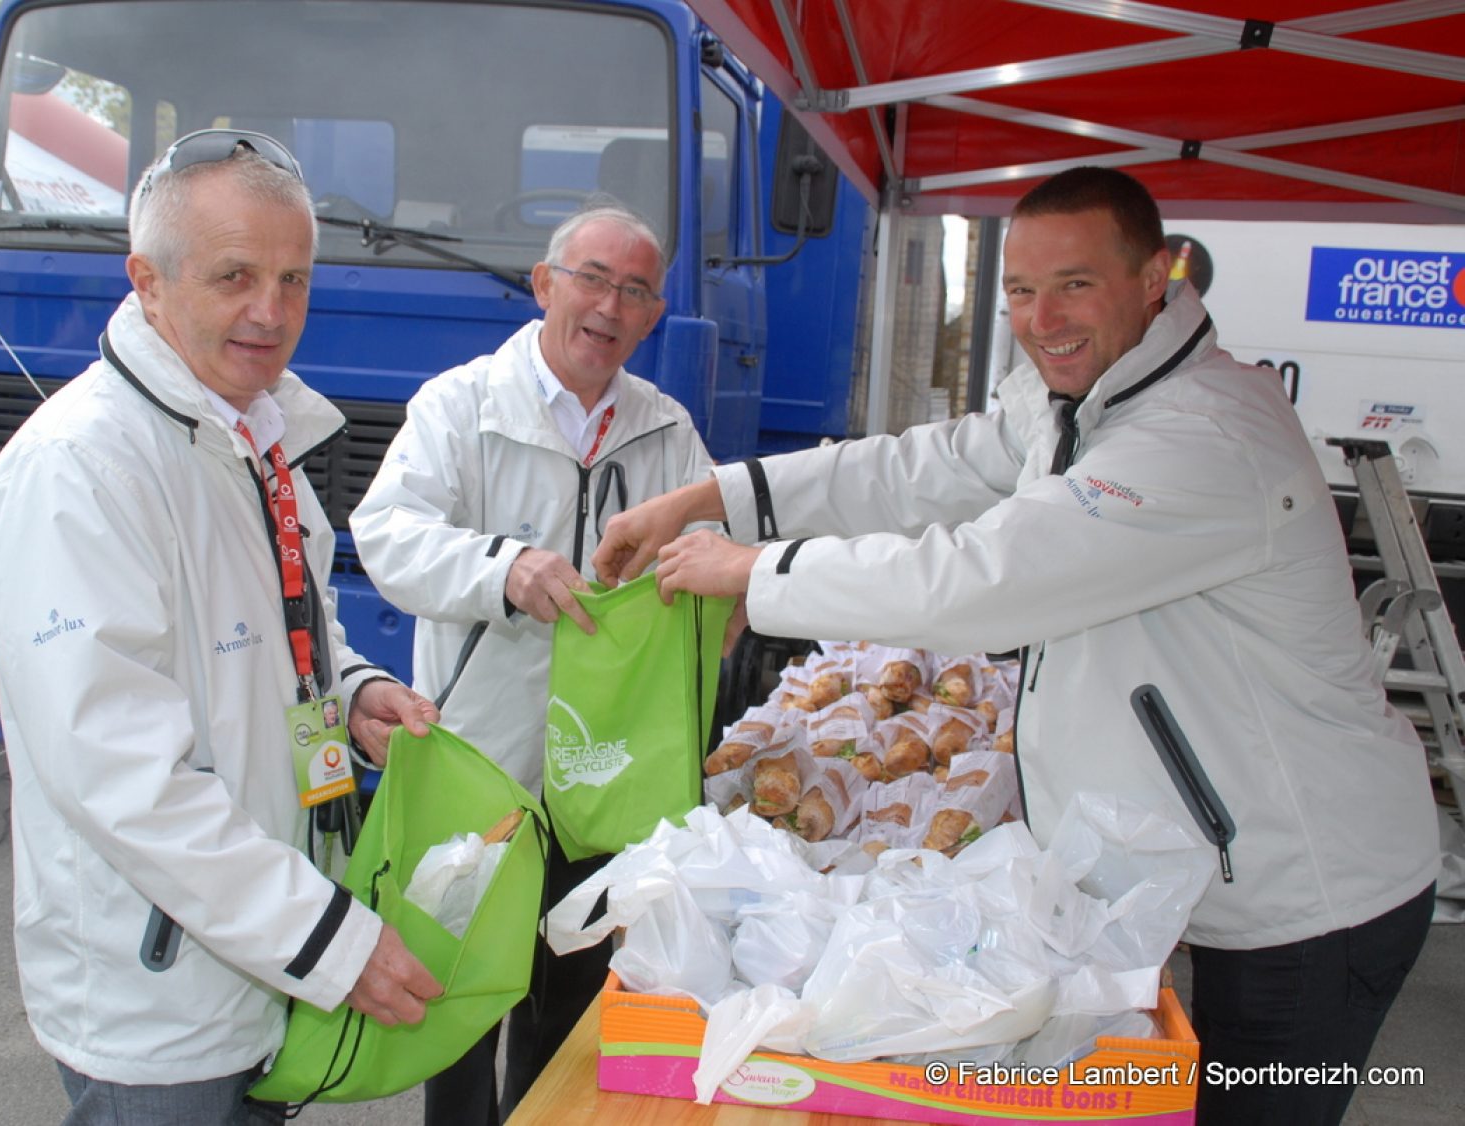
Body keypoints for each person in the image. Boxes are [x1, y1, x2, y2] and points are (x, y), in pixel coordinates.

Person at [594, 166, 1440, 1126]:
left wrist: (757, 571)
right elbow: (924, 467)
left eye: (1076, 284)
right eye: (1023, 291)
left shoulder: (1200, 433)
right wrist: (714, 495)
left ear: (1155, 278)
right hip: (1205, 878)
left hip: (1307, 899)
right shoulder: (1087, 398)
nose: (1044, 320)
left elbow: (984, 580)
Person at [0, 130, 443, 1126]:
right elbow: (117, 771)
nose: (270, 312)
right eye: (235, 276)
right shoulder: (79, 467)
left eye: (294, 279)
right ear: (148, 282)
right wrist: (325, 936)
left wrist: (353, 688)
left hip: (257, 970)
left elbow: (288, 630)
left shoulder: (257, 433)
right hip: (160, 1008)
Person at [350, 202, 714, 1125]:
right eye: (592, 279)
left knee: (568, 1008)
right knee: (458, 1010)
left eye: (635, 291)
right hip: (478, 771)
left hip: (601, 776)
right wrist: (501, 568)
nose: (610, 307)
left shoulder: (667, 430)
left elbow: (713, 561)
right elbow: (386, 535)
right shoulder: (461, 405)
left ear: (654, 315)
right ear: (546, 285)